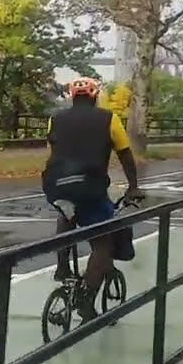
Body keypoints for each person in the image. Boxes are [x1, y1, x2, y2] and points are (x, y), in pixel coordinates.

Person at [42, 76, 144, 321]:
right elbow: (125, 155)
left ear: (71, 97)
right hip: (90, 187)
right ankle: (86, 300)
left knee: (67, 211)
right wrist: (133, 187)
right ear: (95, 95)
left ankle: (62, 268)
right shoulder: (109, 119)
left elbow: (54, 152)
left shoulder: (54, 120)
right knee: (102, 244)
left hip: (56, 187)